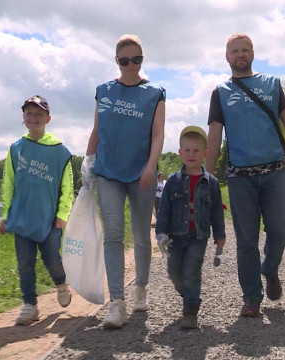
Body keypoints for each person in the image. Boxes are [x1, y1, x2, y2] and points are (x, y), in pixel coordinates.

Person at [205, 33, 285, 317]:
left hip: (274, 171)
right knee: (246, 240)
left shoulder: (272, 85)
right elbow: (214, 135)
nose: (240, 55)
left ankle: (270, 269)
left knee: (279, 229)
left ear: (253, 53)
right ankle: (251, 297)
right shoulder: (220, 92)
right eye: (235, 51)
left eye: (246, 50)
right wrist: (204, 176)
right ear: (226, 56)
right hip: (240, 177)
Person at [83, 34, 166, 329]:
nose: (131, 65)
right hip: (107, 172)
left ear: (142, 59)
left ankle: (140, 287)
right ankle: (117, 302)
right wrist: (88, 161)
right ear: (116, 61)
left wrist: (151, 167)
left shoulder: (155, 92)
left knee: (141, 234)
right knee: (114, 233)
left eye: (137, 59)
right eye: (124, 60)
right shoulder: (103, 91)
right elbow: (97, 130)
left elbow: (158, 135)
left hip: (141, 173)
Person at [0, 95, 74, 326]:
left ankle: (61, 285)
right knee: (25, 263)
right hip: (22, 218)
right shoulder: (16, 148)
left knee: (52, 259)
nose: (33, 118)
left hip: (49, 220)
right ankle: (30, 305)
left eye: (38, 114)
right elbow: (8, 183)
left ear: (48, 118)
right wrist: (5, 215)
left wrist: (63, 215)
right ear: (23, 117)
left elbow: (67, 186)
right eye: (29, 114)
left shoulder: (60, 151)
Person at [155, 126, 225, 330]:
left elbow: (217, 212)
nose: (191, 155)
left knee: (191, 272)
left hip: (198, 236)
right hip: (175, 237)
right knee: (174, 273)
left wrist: (219, 235)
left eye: (196, 151)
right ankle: (189, 295)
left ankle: (191, 311)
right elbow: (164, 210)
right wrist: (161, 233)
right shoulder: (173, 182)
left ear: (205, 154)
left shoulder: (210, 183)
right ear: (180, 152)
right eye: (187, 150)